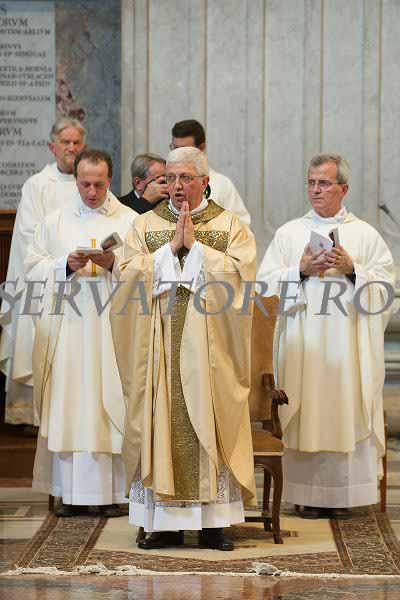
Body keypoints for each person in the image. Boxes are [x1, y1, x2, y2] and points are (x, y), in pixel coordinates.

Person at [111, 146, 256, 550]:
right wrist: (170, 251)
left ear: (205, 181)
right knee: (160, 420)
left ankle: (214, 524)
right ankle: (162, 523)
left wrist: (199, 251)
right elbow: (125, 276)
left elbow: (242, 278)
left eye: (186, 178)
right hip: (158, 348)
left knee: (210, 418)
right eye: (170, 178)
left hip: (210, 354)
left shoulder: (230, 226)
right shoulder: (144, 225)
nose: (176, 186)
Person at [257, 153, 395, 519]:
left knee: (346, 408)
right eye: (311, 183)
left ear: (343, 189)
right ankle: (305, 495)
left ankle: (345, 496)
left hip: (349, 348)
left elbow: (385, 289)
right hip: (304, 346)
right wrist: (299, 271)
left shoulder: (364, 234)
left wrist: (354, 270)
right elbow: (264, 288)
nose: (316, 190)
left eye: (324, 183)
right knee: (306, 410)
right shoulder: (289, 233)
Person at [25, 149, 137, 517]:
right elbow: (32, 267)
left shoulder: (131, 221)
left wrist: (115, 263)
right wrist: (66, 264)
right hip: (70, 329)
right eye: (85, 184)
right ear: (76, 181)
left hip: (112, 328)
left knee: (111, 401)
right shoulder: (55, 221)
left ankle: (114, 492)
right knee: (72, 404)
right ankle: (70, 493)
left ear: (110, 180)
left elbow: (146, 270)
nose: (92, 192)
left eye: (99, 185)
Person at [0, 117, 86, 427]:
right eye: (65, 142)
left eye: (76, 142)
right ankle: (31, 415)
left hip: (82, 281)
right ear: (52, 147)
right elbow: (28, 234)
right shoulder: (37, 185)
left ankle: (74, 416)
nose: (71, 147)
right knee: (37, 344)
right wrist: (62, 261)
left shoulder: (89, 183)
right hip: (45, 280)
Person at [170, 119, 251, 225]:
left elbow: (241, 225)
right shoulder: (165, 183)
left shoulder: (222, 185)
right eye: (175, 149)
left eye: (185, 151)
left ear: (201, 148)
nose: (178, 155)